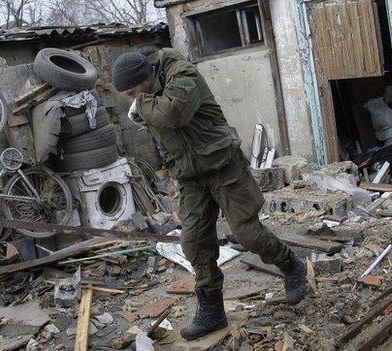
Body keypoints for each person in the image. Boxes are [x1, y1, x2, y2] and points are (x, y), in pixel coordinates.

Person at [111, 48, 307, 341]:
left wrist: (141, 103)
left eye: (132, 92)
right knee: (194, 243)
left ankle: (291, 265)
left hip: (224, 166)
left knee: (247, 234)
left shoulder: (181, 73)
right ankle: (212, 310)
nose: (132, 99)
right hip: (190, 177)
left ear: (146, 78)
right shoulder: (148, 97)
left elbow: (173, 113)